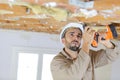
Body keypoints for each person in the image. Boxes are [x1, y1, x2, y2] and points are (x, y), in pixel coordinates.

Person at [50, 22, 120, 80]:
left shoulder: (89, 55)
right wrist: (86, 43)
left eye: (79, 35)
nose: (76, 38)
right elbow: (74, 77)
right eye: (71, 34)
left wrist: (107, 43)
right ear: (63, 40)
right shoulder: (57, 62)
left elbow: (110, 57)